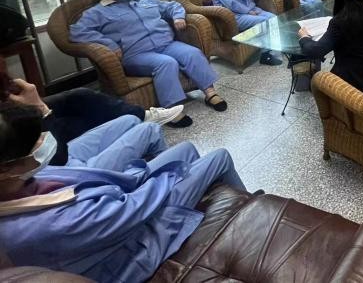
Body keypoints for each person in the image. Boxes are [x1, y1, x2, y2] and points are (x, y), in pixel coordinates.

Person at [0, 103, 246, 282]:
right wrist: (163, 176)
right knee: (219, 157)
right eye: (35, 146)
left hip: (114, 208)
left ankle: (217, 203)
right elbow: (134, 208)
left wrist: (139, 174)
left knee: (186, 149)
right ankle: (247, 217)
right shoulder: (46, 224)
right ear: (7, 169)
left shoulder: (18, 182)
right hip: (128, 248)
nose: (45, 141)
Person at [70, 0, 227, 127]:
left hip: (167, 44)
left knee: (192, 53)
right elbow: (77, 32)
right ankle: (171, 110)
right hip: (136, 54)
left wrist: (178, 16)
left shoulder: (144, 0)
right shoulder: (97, 12)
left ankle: (210, 93)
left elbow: (172, 6)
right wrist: (108, 44)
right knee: (166, 63)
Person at [1, 70, 183, 166]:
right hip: (57, 171)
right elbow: (59, 159)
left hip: (37, 157)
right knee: (150, 130)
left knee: (130, 120)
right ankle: (160, 184)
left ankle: (144, 117)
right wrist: (41, 109)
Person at [212, 0, 281, 66]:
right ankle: (265, 55)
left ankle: (270, 48)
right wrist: (248, 11)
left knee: (274, 18)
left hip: (253, 10)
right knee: (264, 22)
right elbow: (230, 3)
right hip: (233, 16)